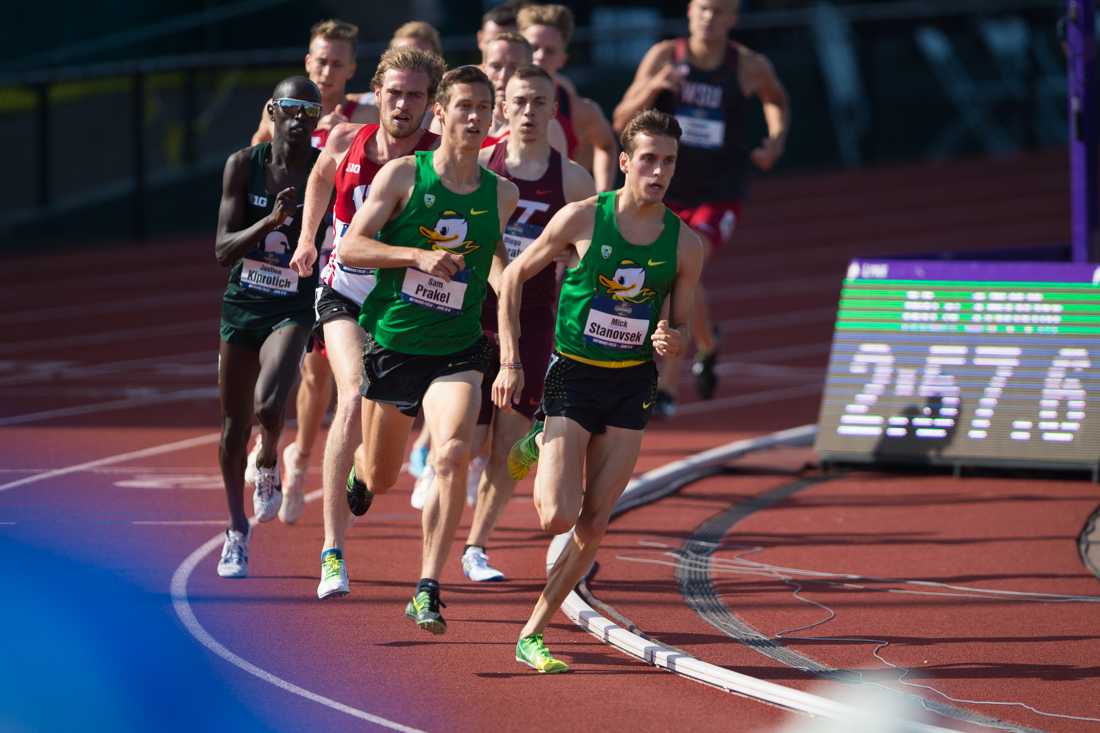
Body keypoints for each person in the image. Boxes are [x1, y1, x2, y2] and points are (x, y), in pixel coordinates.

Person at [494, 109, 703, 671]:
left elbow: (679, 326)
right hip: (574, 374)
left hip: (631, 383)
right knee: (555, 518)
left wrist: (673, 341)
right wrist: (511, 360)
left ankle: (533, 632)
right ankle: (539, 439)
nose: (659, 172)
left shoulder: (686, 245)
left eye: (670, 162)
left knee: (593, 523)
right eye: (650, 160)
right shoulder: (583, 219)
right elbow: (513, 275)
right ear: (627, 163)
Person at [337, 65, 519, 633]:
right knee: (383, 475)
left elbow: (496, 264)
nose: (472, 117)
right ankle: (363, 475)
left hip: (458, 348)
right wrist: (415, 256)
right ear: (440, 114)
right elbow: (351, 247)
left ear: (492, 119)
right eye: (462, 107)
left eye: (482, 109)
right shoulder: (402, 177)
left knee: (451, 455)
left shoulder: (502, 193)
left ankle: (427, 588)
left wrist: (509, 347)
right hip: (394, 343)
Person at [287, 47, 444, 599]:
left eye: (416, 96)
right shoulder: (345, 139)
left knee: (382, 474)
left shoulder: (439, 158)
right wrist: (309, 238)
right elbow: (319, 180)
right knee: (350, 394)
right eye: (394, 93)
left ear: (432, 102)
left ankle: (361, 474)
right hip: (345, 291)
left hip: (404, 310)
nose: (403, 105)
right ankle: (333, 550)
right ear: (377, 92)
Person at [612, 0, 789, 413]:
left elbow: (776, 99)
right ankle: (707, 343)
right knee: (677, 272)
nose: (710, 18)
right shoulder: (663, 55)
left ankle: (666, 387)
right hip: (666, 189)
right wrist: (654, 85)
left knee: (678, 267)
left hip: (719, 192)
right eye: (704, 9)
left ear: (733, 18)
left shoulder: (746, 64)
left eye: (721, 11)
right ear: (690, 12)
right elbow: (622, 118)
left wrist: (775, 140)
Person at [457, 64, 594, 582]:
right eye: (518, 102)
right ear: (501, 106)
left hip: (535, 322)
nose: (528, 112)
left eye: (540, 102)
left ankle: (475, 547)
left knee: (504, 446)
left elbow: (588, 264)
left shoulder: (572, 178)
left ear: (553, 108)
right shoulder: (482, 163)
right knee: (464, 441)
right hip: (473, 317)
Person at [213, 76, 325, 578]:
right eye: (291, 107)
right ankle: (236, 530)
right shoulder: (244, 164)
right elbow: (222, 250)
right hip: (243, 302)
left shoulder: (325, 169)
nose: (299, 118)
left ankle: (270, 457)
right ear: (272, 111)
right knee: (233, 426)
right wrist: (271, 221)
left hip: (294, 305)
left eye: (310, 109)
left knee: (268, 402)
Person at [517, 4, 619, 191]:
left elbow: (607, 145)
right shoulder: (491, 96)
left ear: (562, 58)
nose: (539, 56)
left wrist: (602, 198)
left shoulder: (575, 107)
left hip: (552, 214)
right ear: (519, 48)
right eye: (533, 47)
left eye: (550, 51)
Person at [251, 20, 374, 150]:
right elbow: (258, 153)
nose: (327, 73)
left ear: (351, 69)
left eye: (337, 65)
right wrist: (311, 131)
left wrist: (350, 138)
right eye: (322, 62)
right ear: (308, 62)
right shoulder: (282, 108)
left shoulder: (366, 117)